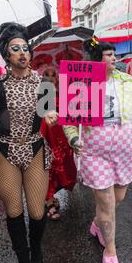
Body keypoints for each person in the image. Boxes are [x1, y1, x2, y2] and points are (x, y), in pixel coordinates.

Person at [63, 38, 132, 263]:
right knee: (106, 203)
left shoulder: (126, 80)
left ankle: (98, 223)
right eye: (108, 55)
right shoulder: (82, 81)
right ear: (96, 59)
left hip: (125, 146)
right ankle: (110, 252)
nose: (113, 58)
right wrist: (75, 139)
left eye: (113, 55)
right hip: (95, 148)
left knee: (118, 198)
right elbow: (69, 118)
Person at [0, 22, 58, 263]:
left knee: (36, 211)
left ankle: (36, 251)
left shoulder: (43, 82)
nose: (22, 52)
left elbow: (48, 113)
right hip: (6, 151)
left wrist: (50, 115)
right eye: (15, 49)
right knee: (14, 211)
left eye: (25, 47)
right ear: (6, 56)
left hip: (34, 148)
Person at [40, 65, 77, 220]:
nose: (50, 77)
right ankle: (48, 201)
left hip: (63, 136)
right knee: (48, 169)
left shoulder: (65, 92)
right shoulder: (41, 93)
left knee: (65, 169)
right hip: (48, 136)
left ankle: (50, 198)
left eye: (53, 74)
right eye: (47, 74)